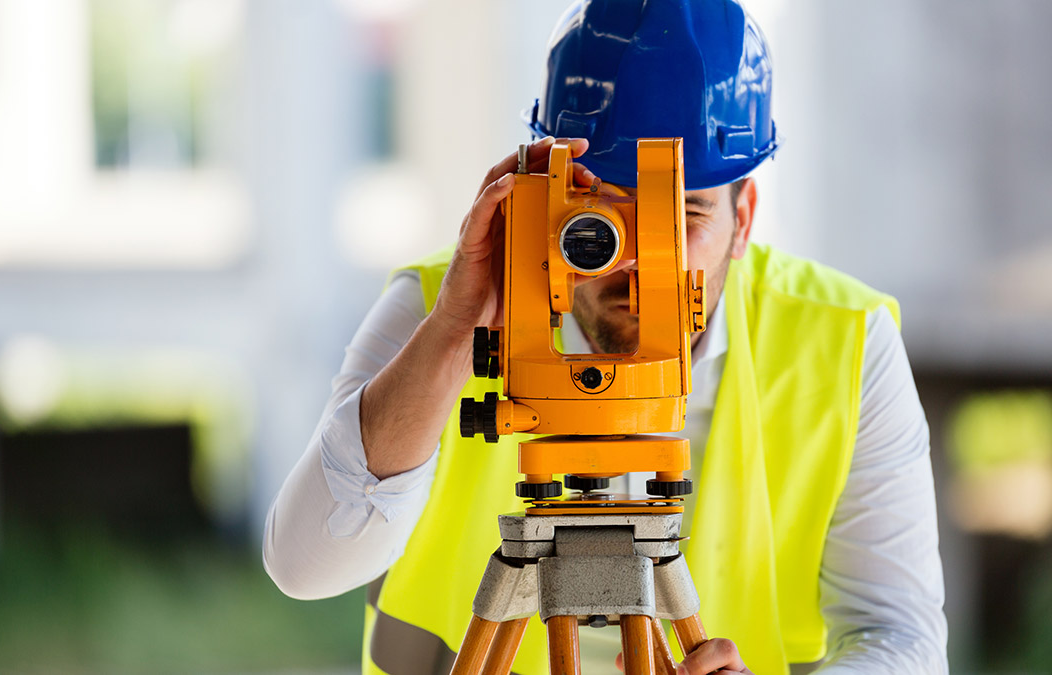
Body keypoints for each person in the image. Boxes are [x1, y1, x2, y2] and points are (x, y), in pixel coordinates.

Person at [263, 1, 948, 673]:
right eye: (599, 215)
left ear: (744, 222)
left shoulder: (844, 343)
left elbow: (902, 635)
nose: (634, 256)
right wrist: (451, 333)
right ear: (544, 184)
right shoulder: (444, 303)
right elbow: (303, 564)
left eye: (680, 213)